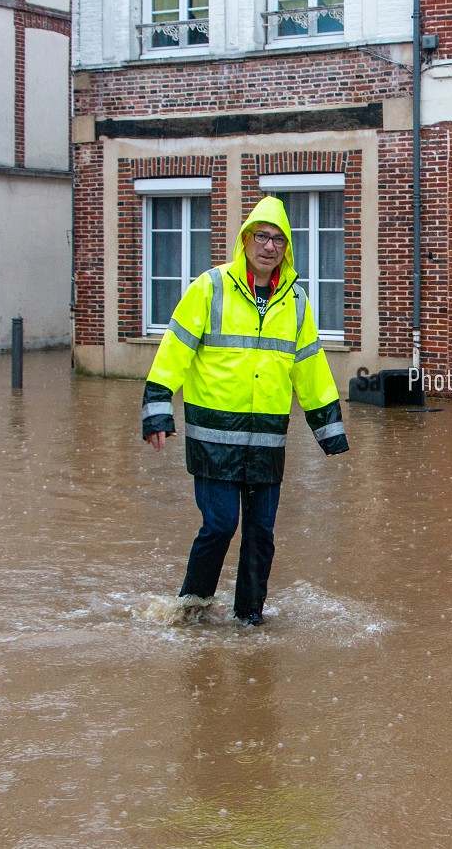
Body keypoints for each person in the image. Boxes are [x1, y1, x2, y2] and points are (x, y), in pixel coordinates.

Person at [141, 196, 349, 626]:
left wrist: (329, 431)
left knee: (260, 535)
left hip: (267, 440)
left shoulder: (296, 301)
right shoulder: (210, 286)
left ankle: (249, 619)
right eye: (262, 236)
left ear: (286, 249)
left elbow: (310, 366)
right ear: (245, 239)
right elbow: (174, 350)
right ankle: (192, 608)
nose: (269, 246)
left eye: (278, 239)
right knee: (219, 524)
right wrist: (158, 411)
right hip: (214, 437)